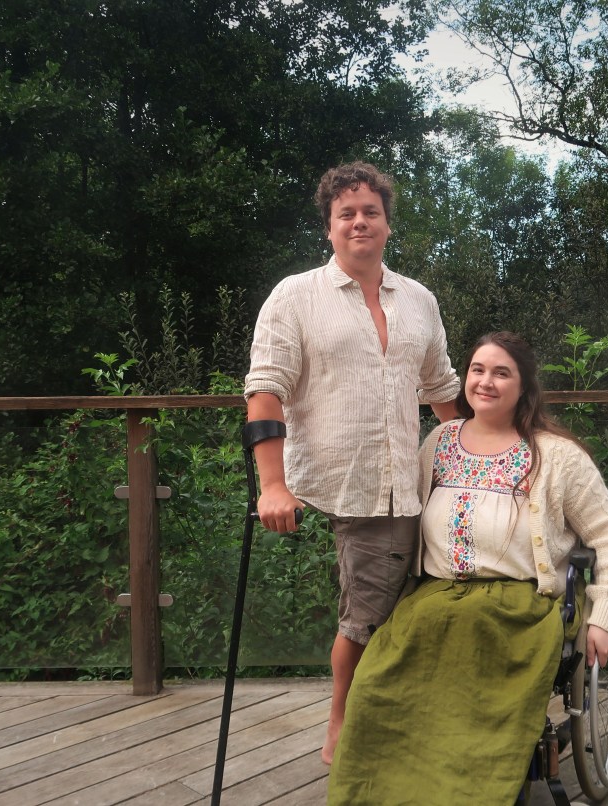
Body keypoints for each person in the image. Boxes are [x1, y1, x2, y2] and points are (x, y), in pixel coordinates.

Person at [327, 331, 608, 803]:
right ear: (465, 379)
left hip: (518, 609)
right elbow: (393, 503)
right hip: (432, 598)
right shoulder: (440, 441)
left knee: (475, 696)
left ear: (523, 387)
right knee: (375, 687)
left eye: (501, 372)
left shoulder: (555, 456)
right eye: (477, 370)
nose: (485, 381)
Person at [243, 161, 460, 764]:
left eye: (370, 211)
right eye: (347, 214)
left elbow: (442, 388)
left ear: (388, 223)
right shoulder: (296, 296)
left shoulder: (418, 300)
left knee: (409, 602)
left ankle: (392, 711)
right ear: (329, 227)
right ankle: (342, 722)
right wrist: (272, 486)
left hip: (414, 483)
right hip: (348, 482)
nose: (359, 221)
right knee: (367, 611)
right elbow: (265, 390)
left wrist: (480, 455)